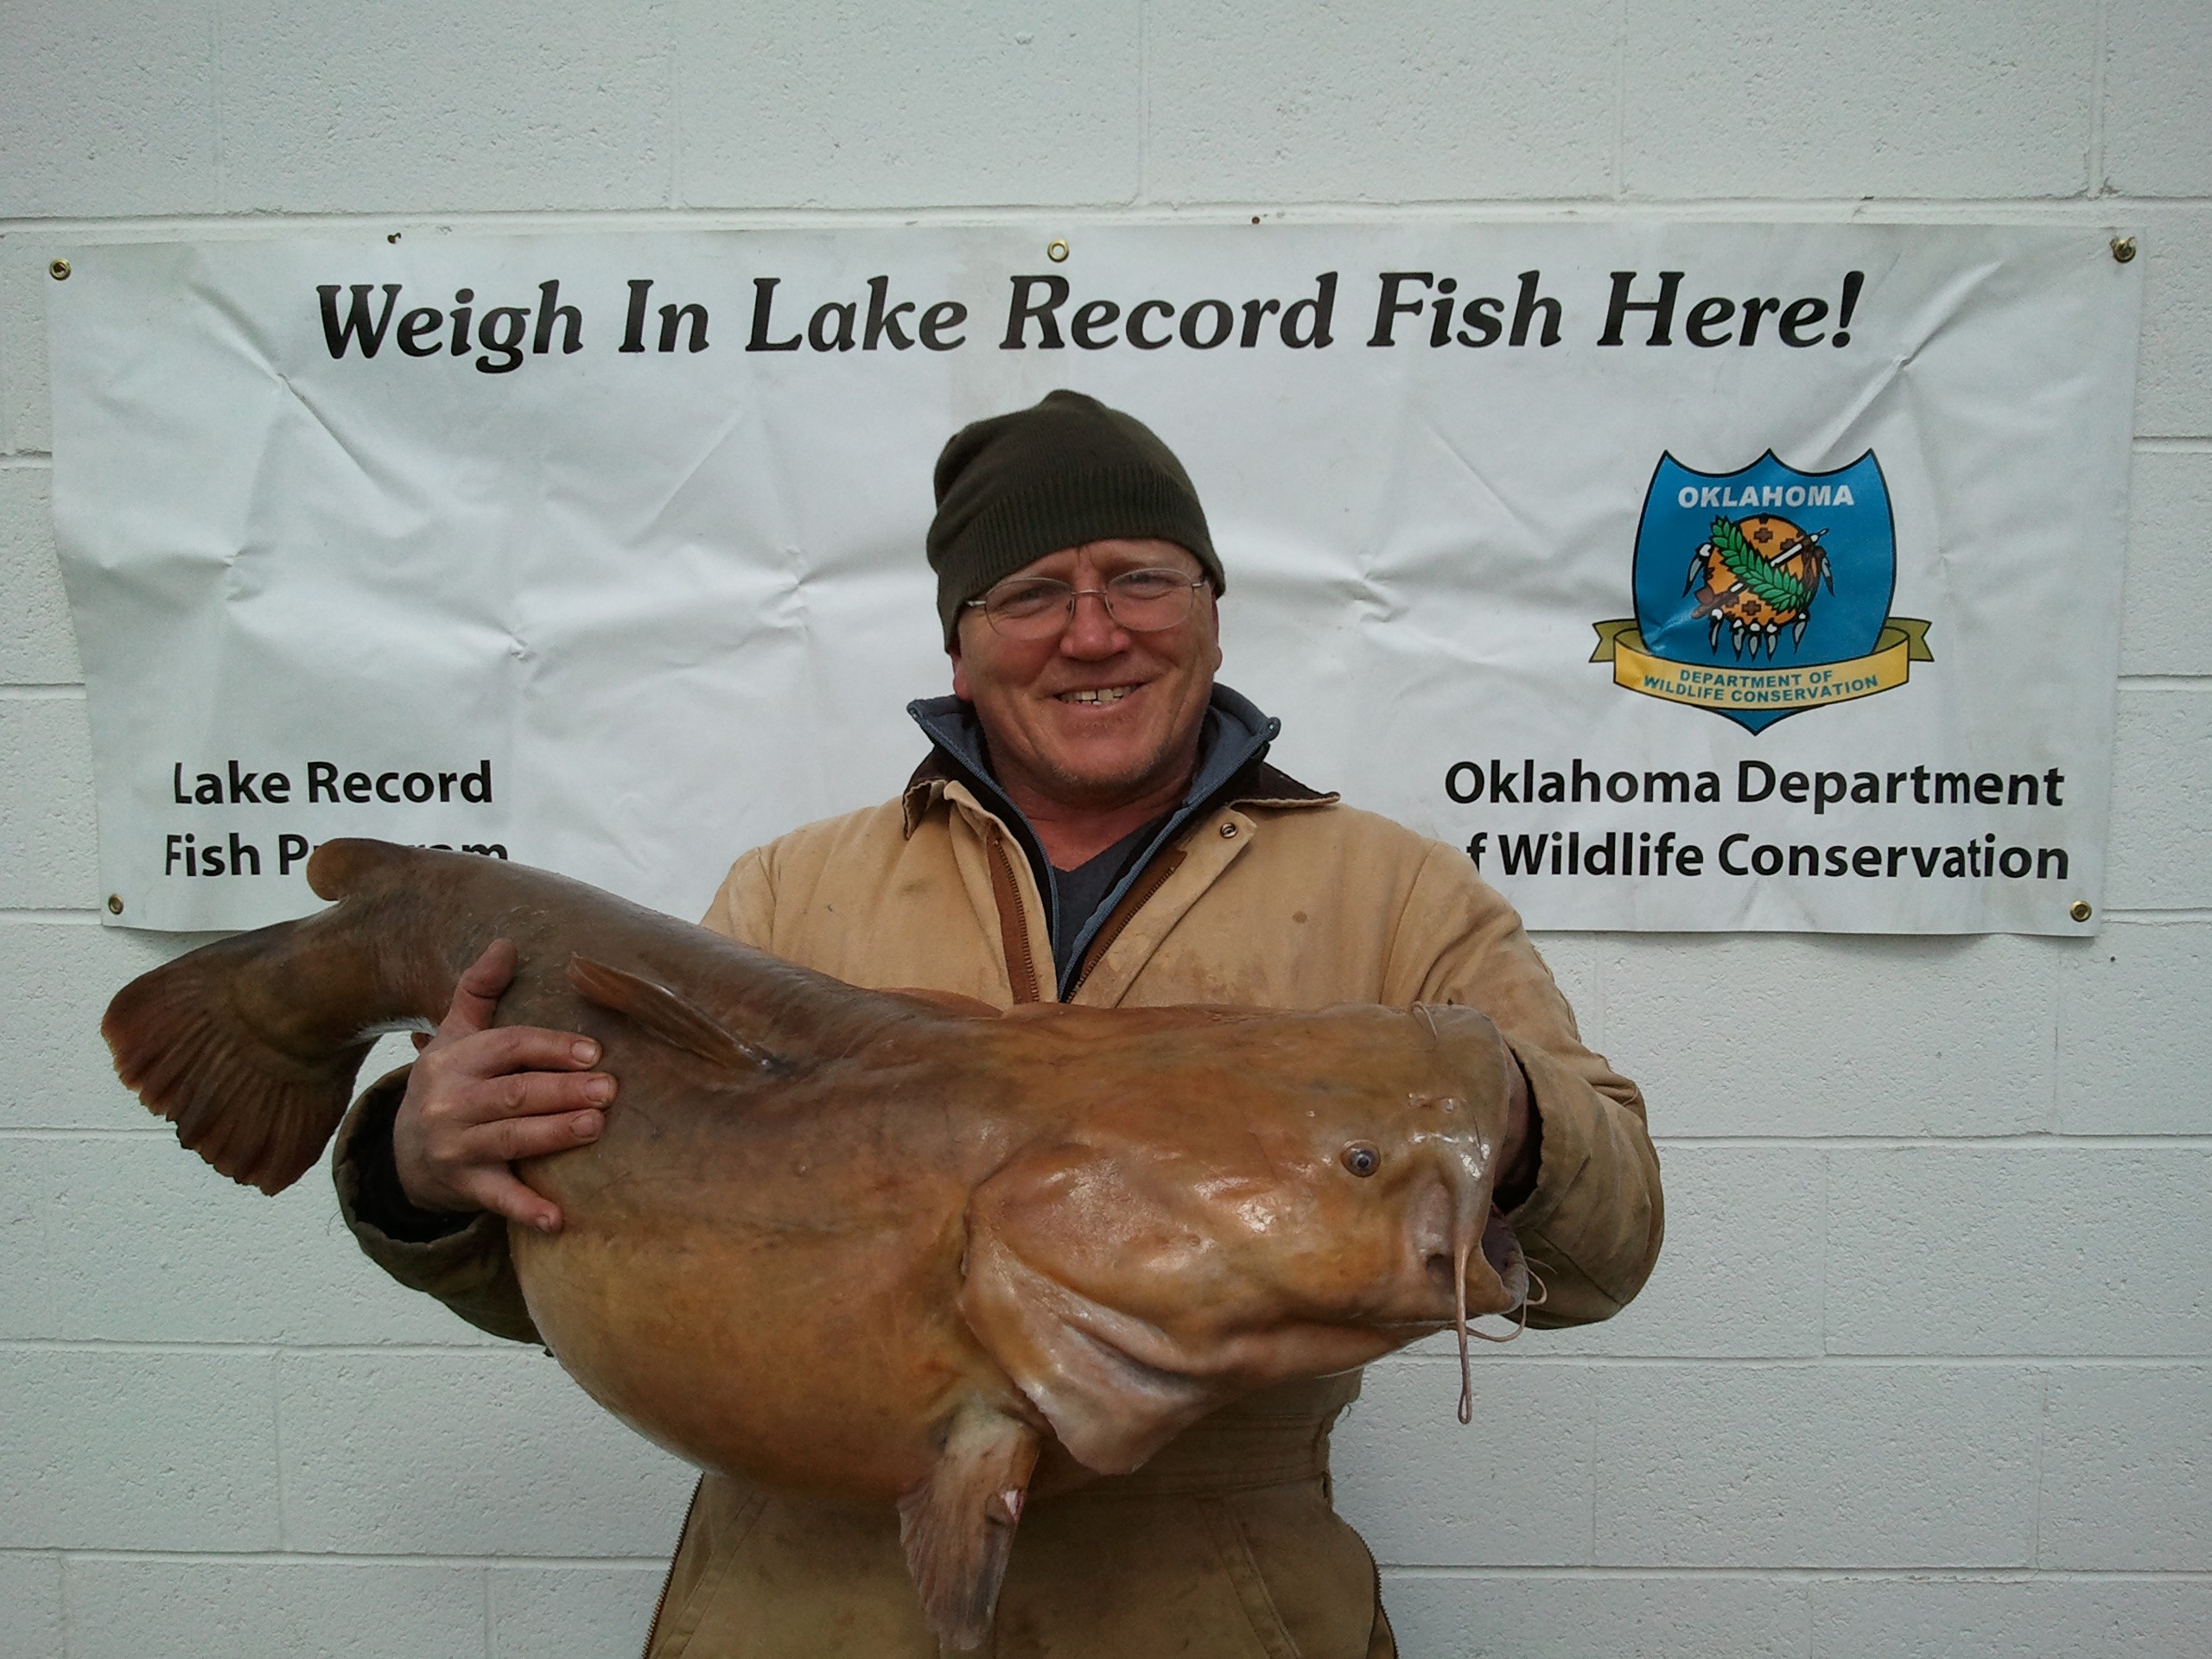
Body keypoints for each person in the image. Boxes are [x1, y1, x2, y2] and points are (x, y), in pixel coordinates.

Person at [334, 390, 1663, 1658]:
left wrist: (1512, 1120)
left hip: (1217, 1622)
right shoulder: (791, 895)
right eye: (1032, 594)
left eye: (1143, 578)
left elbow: (1610, 1255)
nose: (1093, 634)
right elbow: (620, 1284)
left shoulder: (1394, 897)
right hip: (798, 1620)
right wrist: (423, 1174)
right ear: (957, 648)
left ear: (1213, 611)